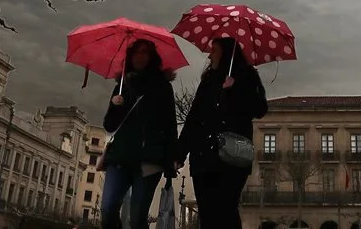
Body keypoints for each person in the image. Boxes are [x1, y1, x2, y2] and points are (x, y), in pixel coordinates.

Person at [175, 37, 268, 229]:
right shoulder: (208, 80)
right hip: (203, 155)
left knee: (226, 209)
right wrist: (180, 153)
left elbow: (259, 109)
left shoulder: (247, 76)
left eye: (214, 50)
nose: (209, 56)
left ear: (226, 53)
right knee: (207, 214)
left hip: (233, 155)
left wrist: (237, 88)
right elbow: (194, 117)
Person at [99, 39, 179, 229]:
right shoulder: (123, 85)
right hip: (120, 157)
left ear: (152, 58)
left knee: (137, 218)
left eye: (144, 53)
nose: (139, 57)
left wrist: (172, 158)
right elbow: (110, 125)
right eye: (136, 53)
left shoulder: (162, 87)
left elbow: (170, 125)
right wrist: (115, 106)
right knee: (107, 209)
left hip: (148, 160)